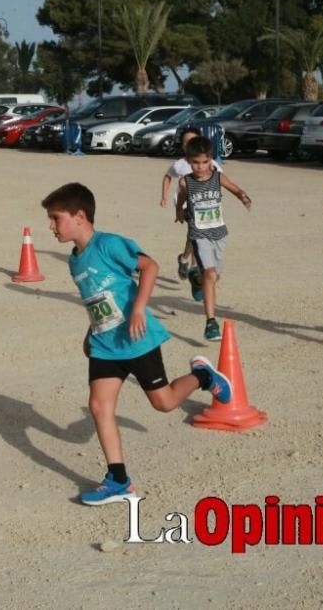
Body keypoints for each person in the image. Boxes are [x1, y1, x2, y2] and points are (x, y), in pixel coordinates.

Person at [41, 182, 233, 506]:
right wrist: (91, 332)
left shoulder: (109, 245)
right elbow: (96, 300)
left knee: (164, 402)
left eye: (55, 218)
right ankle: (118, 479)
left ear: (79, 216)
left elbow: (150, 266)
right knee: (100, 406)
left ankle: (203, 376)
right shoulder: (74, 260)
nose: (51, 226)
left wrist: (140, 308)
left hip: (136, 338)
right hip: (105, 344)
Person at [175, 136, 251, 341]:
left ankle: (195, 278)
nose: (200, 167)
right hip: (199, 235)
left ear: (211, 160)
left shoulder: (218, 177)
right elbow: (182, 197)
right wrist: (179, 211)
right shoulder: (186, 181)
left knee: (214, 277)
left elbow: (234, 188)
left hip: (219, 233)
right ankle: (211, 323)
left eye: (204, 162)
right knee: (210, 275)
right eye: (195, 163)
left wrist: (244, 197)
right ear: (189, 162)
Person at [160, 125, 224, 279]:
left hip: (205, 203)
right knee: (196, 232)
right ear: (182, 145)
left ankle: (184, 259)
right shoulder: (179, 164)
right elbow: (167, 177)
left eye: (192, 141)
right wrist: (164, 196)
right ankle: (196, 266)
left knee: (197, 233)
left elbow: (219, 179)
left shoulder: (210, 163)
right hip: (186, 202)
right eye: (186, 142)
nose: (189, 144)